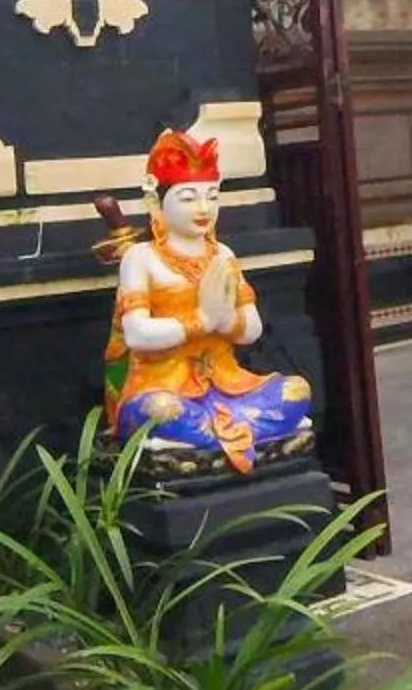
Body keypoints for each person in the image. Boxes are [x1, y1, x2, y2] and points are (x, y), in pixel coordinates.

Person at [103, 129, 315, 473]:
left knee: (295, 391)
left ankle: (211, 437)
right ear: (156, 203)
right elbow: (138, 334)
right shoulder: (140, 258)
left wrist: (225, 322)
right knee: (161, 410)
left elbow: (252, 330)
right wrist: (201, 320)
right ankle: (222, 434)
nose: (203, 209)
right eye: (188, 198)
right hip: (162, 386)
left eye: (212, 196)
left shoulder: (223, 255)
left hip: (228, 383)